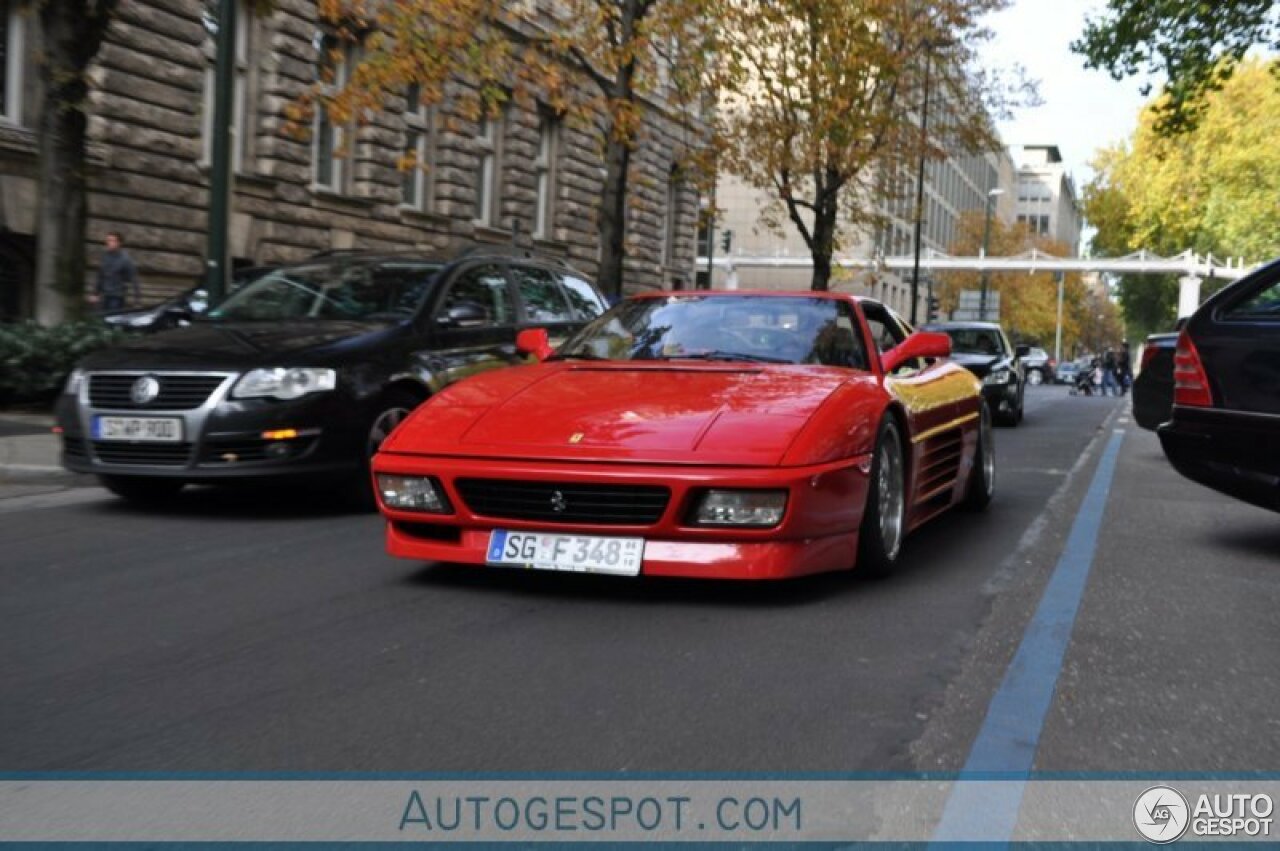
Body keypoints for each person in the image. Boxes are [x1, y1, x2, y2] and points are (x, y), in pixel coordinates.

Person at [91, 231, 141, 312]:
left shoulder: (125, 259)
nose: (109, 243)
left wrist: (137, 301)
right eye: (108, 240)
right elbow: (100, 276)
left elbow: (134, 279)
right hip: (105, 296)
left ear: (119, 243)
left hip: (117, 297)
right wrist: (95, 294)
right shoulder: (105, 257)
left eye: (112, 240)